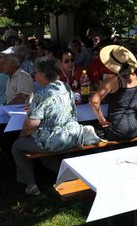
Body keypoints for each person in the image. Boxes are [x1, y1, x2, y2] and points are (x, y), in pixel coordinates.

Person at [12, 57, 97, 196]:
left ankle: (31, 185)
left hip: (54, 140)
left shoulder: (42, 93)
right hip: (72, 136)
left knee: (17, 145)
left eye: (35, 72)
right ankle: (72, 176)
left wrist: (22, 133)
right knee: (45, 155)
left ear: (43, 75)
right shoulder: (65, 86)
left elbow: (32, 124)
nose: (34, 75)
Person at [90, 45, 137, 141]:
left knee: (90, 128)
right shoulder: (134, 76)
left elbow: (94, 101)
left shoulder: (111, 81)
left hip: (120, 128)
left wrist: (102, 120)